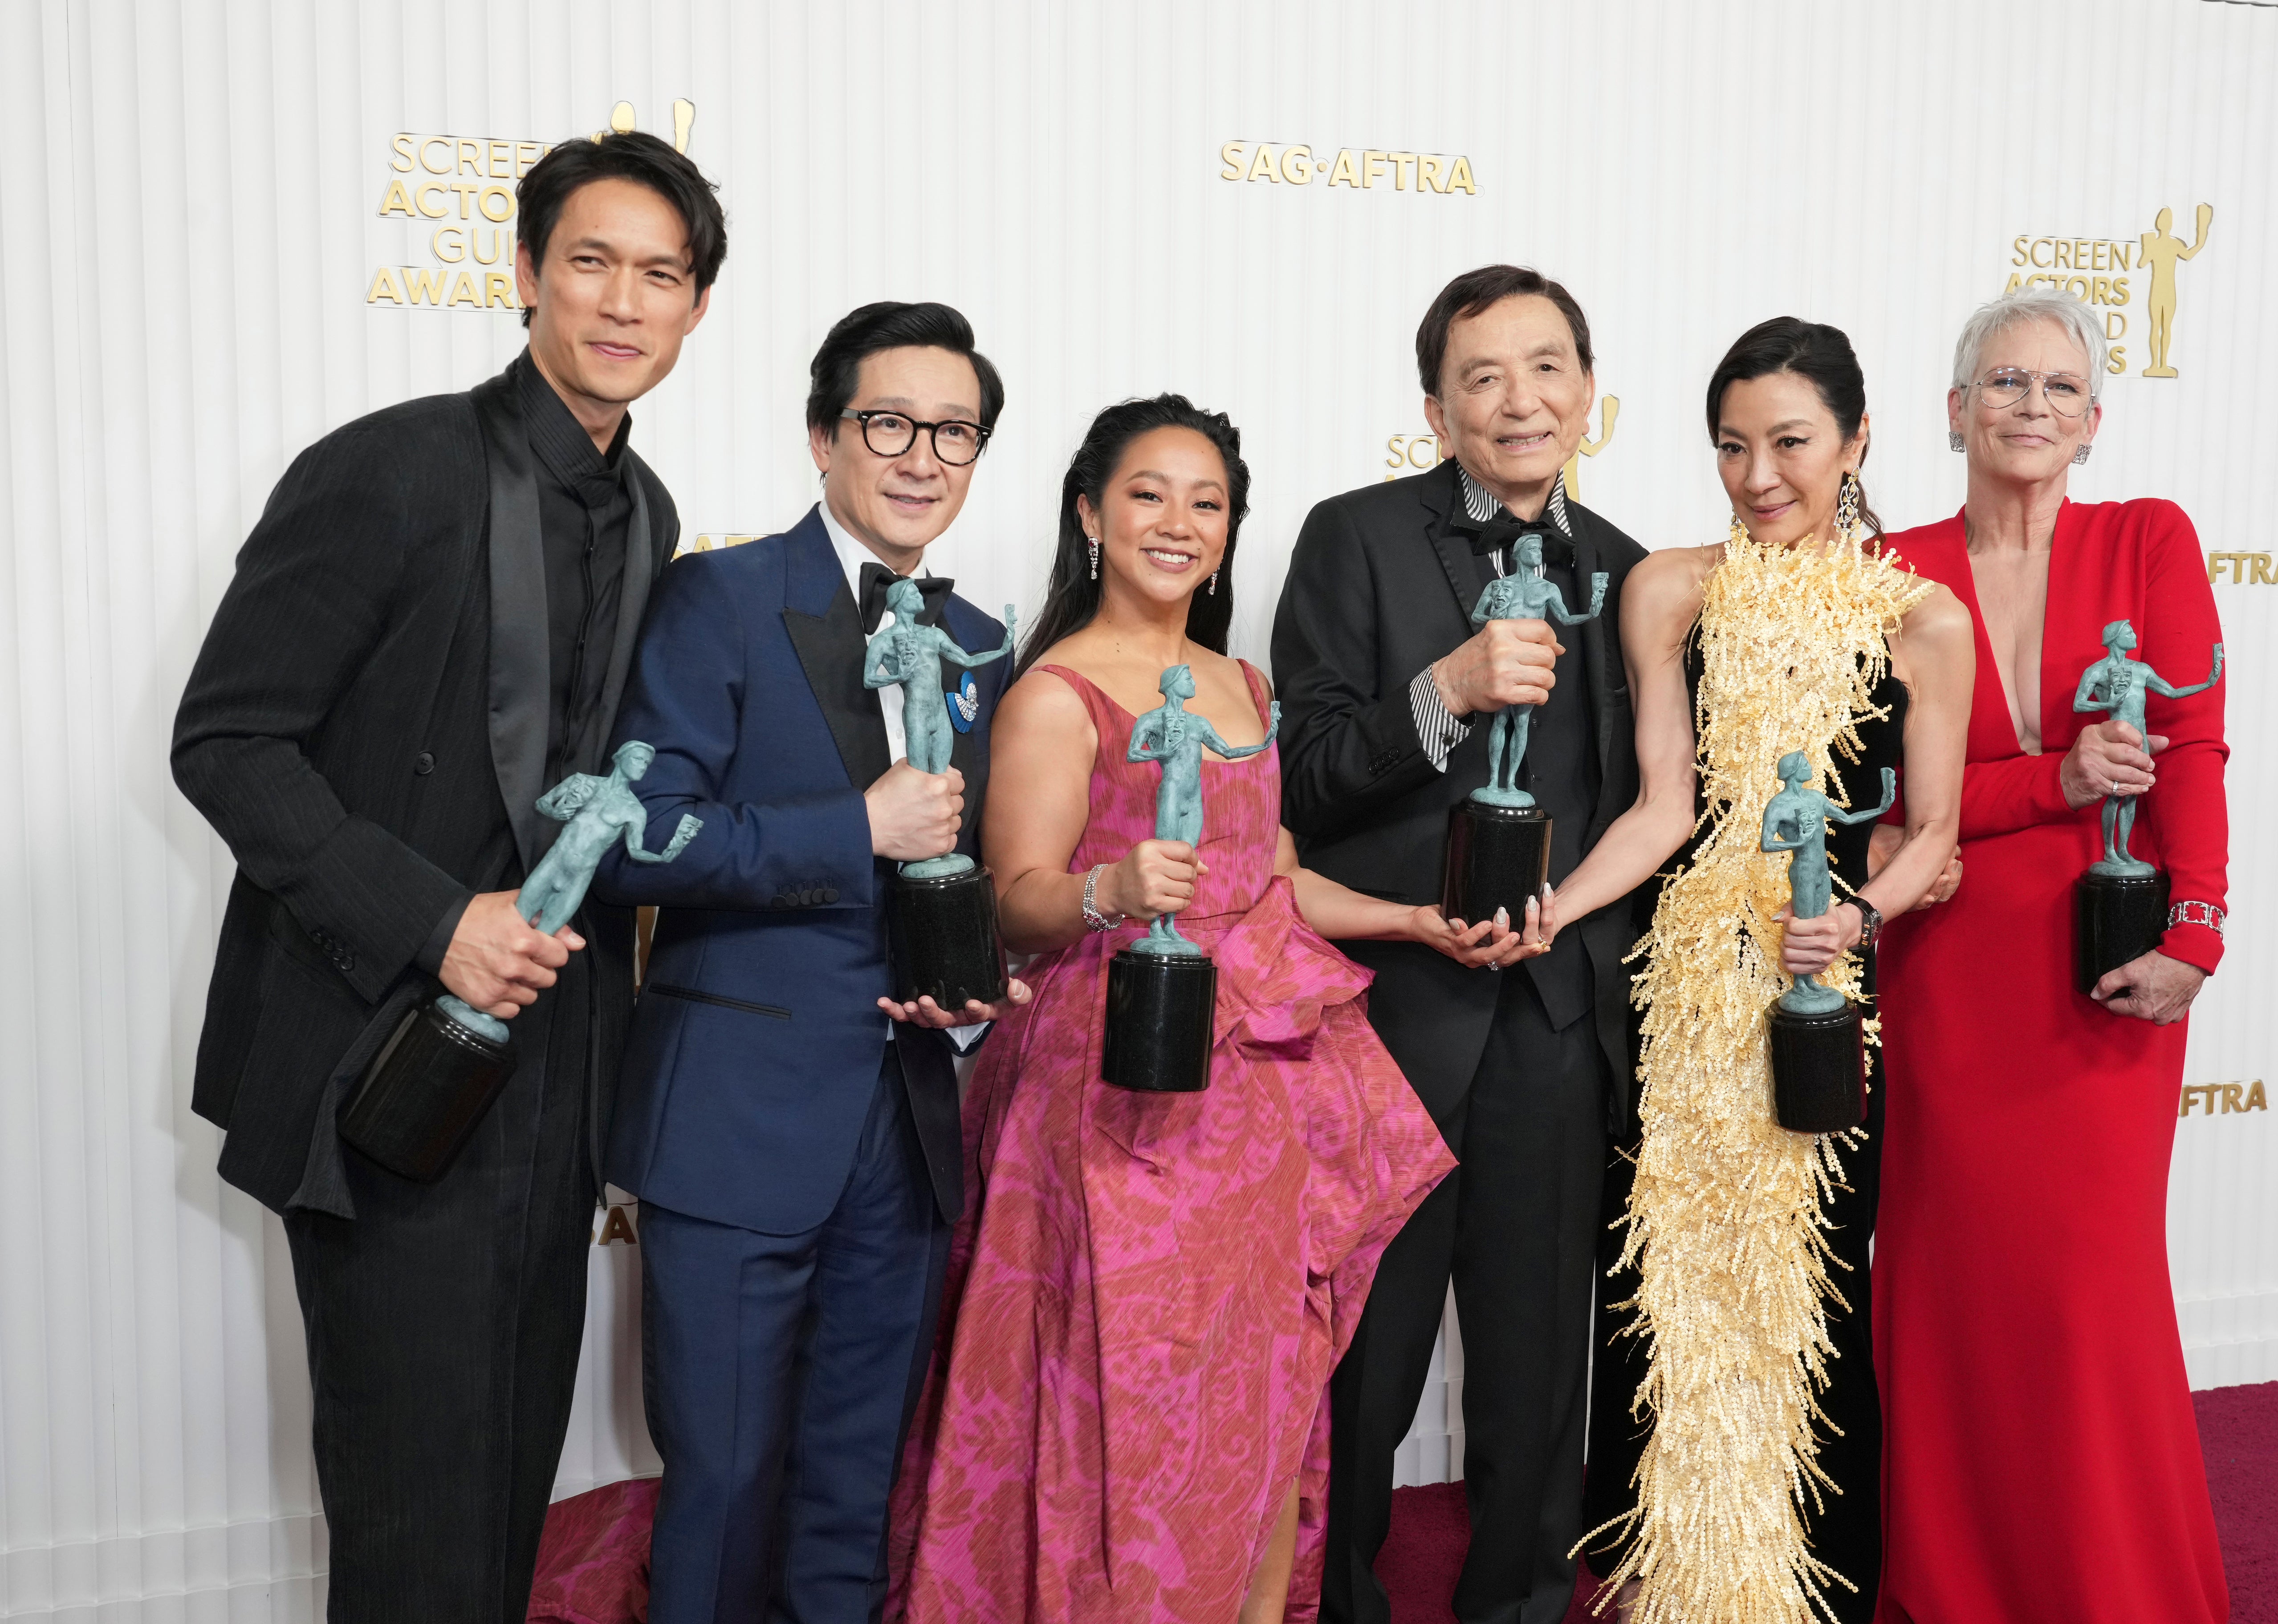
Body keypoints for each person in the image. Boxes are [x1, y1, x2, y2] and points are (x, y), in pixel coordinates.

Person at [169, 131, 723, 1620]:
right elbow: (226, 742)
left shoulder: (650, 507)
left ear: (695, 309)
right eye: (591, 262)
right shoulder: (393, 467)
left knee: (501, 1496)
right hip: (377, 1054)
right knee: (413, 1516)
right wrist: (438, 921)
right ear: (527, 270)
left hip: (550, 1067)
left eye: (659, 275)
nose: (622, 302)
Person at [887, 396, 1456, 1624]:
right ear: (1091, 515)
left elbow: (1274, 872)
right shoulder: (1055, 693)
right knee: (1119, 1401)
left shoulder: (1241, 682)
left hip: (1254, 1112)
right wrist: (1108, 886)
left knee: (1255, 1395)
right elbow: (1014, 901)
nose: (1179, 524)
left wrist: (1413, 922)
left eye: (1208, 503)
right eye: (1149, 494)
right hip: (1110, 1100)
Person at [590, 301, 1026, 1624]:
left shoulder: (980, 645)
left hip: (903, 1133)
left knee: (853, 1496)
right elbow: (632, 837)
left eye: (954, 433)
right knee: (721, 1489)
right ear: (826, 436)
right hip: (736, 1124)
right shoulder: (718, 597)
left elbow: (973, 869)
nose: (920, 457)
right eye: (889, 423)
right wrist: (855, 828)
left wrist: (977, 984)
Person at [1541, 318, 1968, 1621]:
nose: (1758, 474)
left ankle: (1812, 1590)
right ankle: (1676, 1575)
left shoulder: (1921, 615)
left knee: (1813, 1284)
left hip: (1820, 988)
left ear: (1857, 439)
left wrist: (1856, 918)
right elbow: (1668, 807)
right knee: (1667, 1274)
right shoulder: (1670, 587)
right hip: (1688, 986)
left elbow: (1934, 830)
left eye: (1789, 441)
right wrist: (1553, 911)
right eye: (1733, 445)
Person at [1270, 264, 1648, 1624]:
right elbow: (1303, 780)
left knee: (1541, 1368)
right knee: (1357, 1363)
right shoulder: (1352, 538)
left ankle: (1521, 1607)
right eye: (1482, 376)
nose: (1520, 400)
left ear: (1589, 392)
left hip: (1554, 1022)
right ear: (1435, 407)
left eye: (1548, 367)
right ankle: (1336, 1604)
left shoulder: (1633, 569)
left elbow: (1643, 803)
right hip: (1391, 1015)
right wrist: (1441, 690)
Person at [1872, 287, 2231, 1624]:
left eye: (2059, 389)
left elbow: (2190, 747)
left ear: (2095, 419)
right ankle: (1957, 1589)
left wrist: (2196, 926)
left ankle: (2116, 1590)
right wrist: (2055, 781)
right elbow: (1885, 818)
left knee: (2090, 1293)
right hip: (1947, 959)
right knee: (1951, 1287)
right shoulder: (1888, 569)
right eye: (2005, 384)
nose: (2032, 408)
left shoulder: (2149, 540)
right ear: (1955, 408)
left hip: (2107, 951)